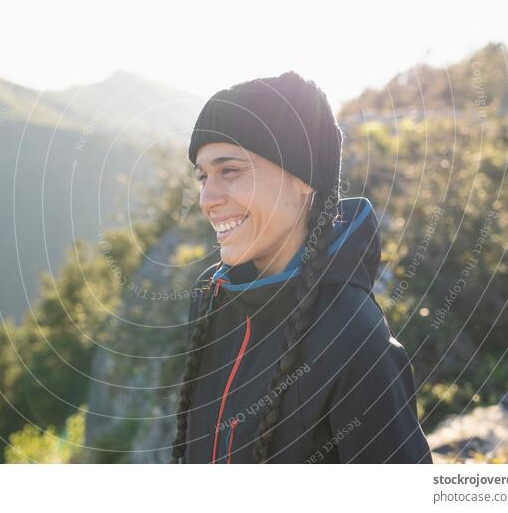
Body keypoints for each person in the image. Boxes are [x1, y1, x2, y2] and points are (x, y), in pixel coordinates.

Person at [170, 71, 433, 464]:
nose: (207, 198)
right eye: (203, 176)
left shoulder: (355, 338)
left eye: (230, 170)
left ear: (304, 180)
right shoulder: (212, 301)